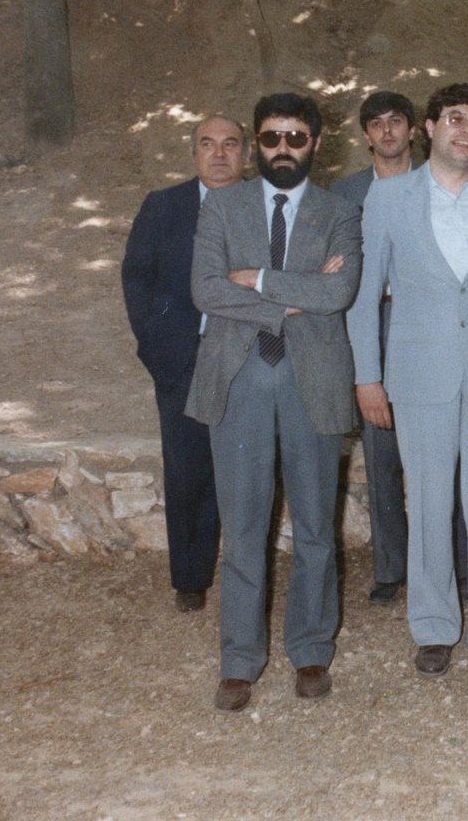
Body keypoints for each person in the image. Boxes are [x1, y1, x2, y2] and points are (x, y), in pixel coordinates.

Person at [348, 83, 468, 680]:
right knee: (430, 501)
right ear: (428, 128)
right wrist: (368, 377)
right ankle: (434, 626)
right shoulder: (387, 199)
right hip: (419, 371)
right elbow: (362, 300)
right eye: (456, 119)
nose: (467, 130)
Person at [187, 93, 363, 712]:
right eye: (269, 138)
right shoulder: (222, 206)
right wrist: (294, 297)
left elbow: (339, 291)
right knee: (242, 529)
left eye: (295, 137)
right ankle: (239, 660)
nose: (281, 148)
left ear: (316, 142)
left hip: (311, 381)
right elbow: (205, 289)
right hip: (239, 383)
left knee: (317, 525)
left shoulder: (339, 211)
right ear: (257, 144)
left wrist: (255, 279)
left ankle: (311, 649)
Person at [121, 115, 249, 613]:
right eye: (207, 144)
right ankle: (191, 578)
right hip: (186, 361)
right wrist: (162, 354)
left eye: (230, 144)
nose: (219, 154)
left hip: (249, 355)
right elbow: (137, 281)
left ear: (246, 153)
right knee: (188, 468)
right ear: (193, 153)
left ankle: (248, 571)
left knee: (247, 467)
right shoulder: (163, 207)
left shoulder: (267, 205)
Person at [331, 91, 416, 605]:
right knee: (382, 450)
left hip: (423, 323)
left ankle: (451, 563)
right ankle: (391, 567)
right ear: (365, 135)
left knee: (438, 453)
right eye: (376, 124)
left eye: (396, 122)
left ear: (413, 130)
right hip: (370, 321)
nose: (387, 132)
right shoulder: (344, 194)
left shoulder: (438, 183)